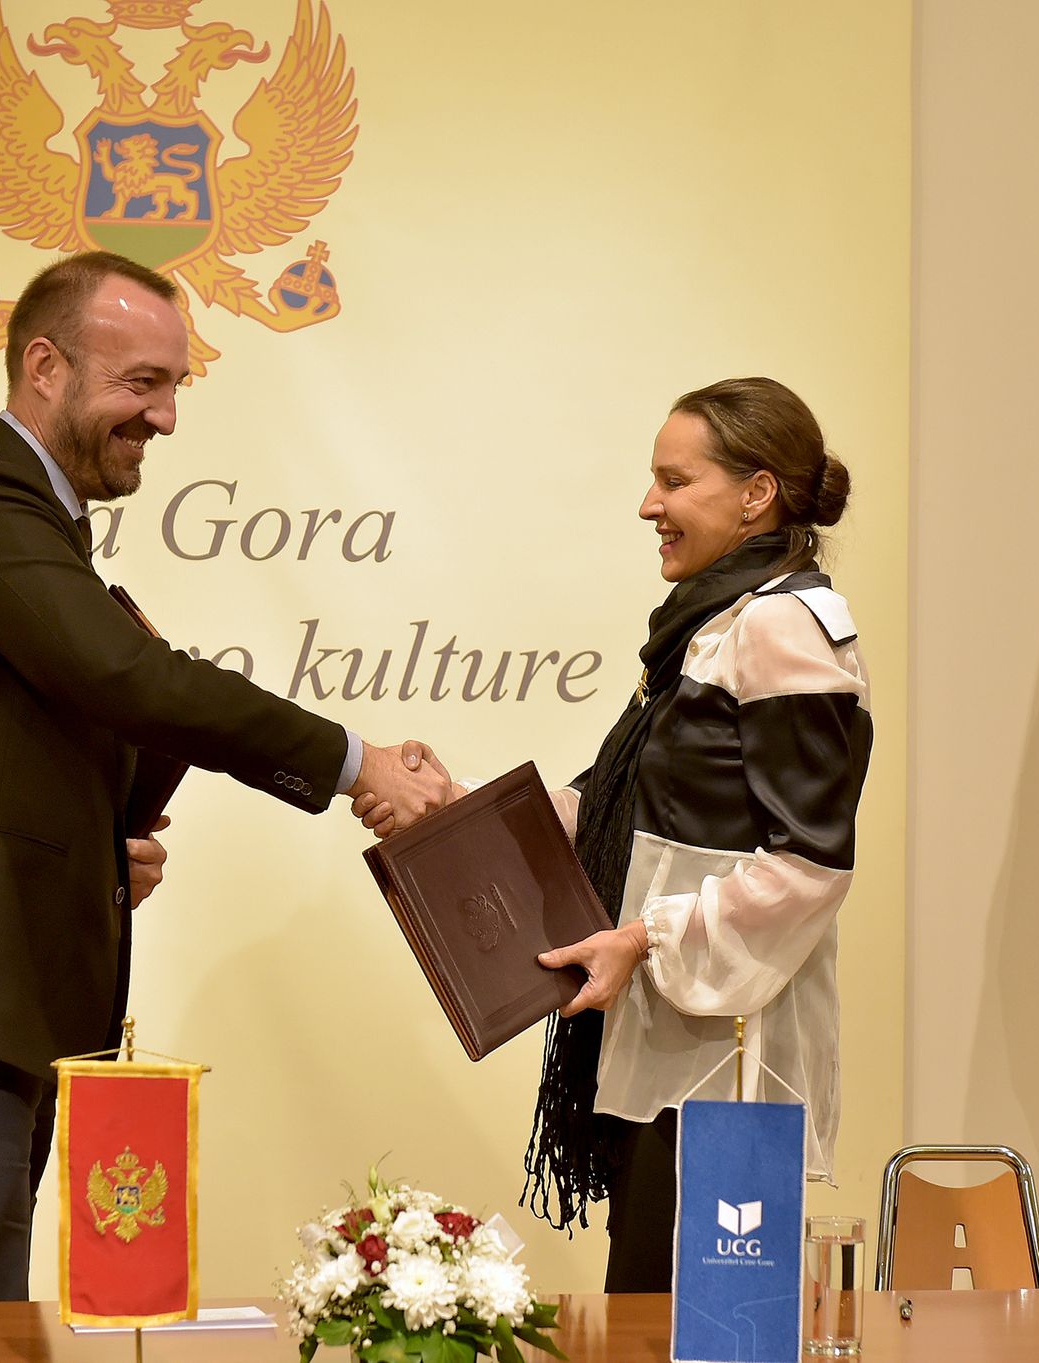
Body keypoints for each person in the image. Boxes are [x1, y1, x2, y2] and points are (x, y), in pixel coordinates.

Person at [0, 250, 451, 1303]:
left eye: (174, 386)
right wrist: (356, 763)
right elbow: (130, 679)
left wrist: (96, 857)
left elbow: (33, 746)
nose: (166, 417)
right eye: (141, 383)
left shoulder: (24, 524)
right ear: (44, 365)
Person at [358, 376, 872, 1291]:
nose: (648, 505)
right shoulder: (713, 624)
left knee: (704, 1325)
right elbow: (614, 808)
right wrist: (453, 805)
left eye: (674, 481)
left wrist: (643, 938)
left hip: (729, 1061)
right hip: (670, 1038)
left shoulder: (783, 626)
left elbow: (810, 864)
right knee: (646, 1305)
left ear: (756, 493)